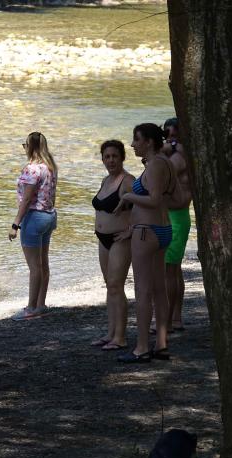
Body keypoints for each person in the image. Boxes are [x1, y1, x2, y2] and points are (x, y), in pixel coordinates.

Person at [114, 123, 175, 363]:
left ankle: (141, 348)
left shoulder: (157, 164)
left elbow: (155, 200)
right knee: (159, 289)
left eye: (136, 139)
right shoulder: (165, 163)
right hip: (162, 229)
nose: (132, 144)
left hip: (146, 233)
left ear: (149, 142)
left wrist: (129, 195)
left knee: (143, 290)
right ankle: (161, 344)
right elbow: (173, 197)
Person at [8, 132, 58, 321]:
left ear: (31, 147)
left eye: (25, 145)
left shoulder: (32, 169)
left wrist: (15, 224)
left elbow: (27, 199)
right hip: (49, 216)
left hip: (34, 218)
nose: (24, 148)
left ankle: (31, 308)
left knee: (34, 267)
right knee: (43, 264)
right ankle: (40, 304)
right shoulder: (50, 167)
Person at [91, 140, 134, 351]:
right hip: (103, 239)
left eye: (115, 156)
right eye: (107, 157)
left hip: (120, 240)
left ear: (122, 157)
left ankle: (120, 337)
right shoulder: (105, 180)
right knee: (110, 286)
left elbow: (145, 207)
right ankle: (110, 333)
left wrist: (131, 231)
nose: (111, 160)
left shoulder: (128, 181)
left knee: (117, 285)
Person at [162, 117, 192, 332]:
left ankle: (167, 320)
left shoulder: (179, 157)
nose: (171, 140)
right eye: (168, 136)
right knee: (174, 270)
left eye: (175, 137)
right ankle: (176, 318)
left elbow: (161, 174)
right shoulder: (177, 154)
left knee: (168, 271)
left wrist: (166, 149)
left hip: (176, 217)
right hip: (173, 215)